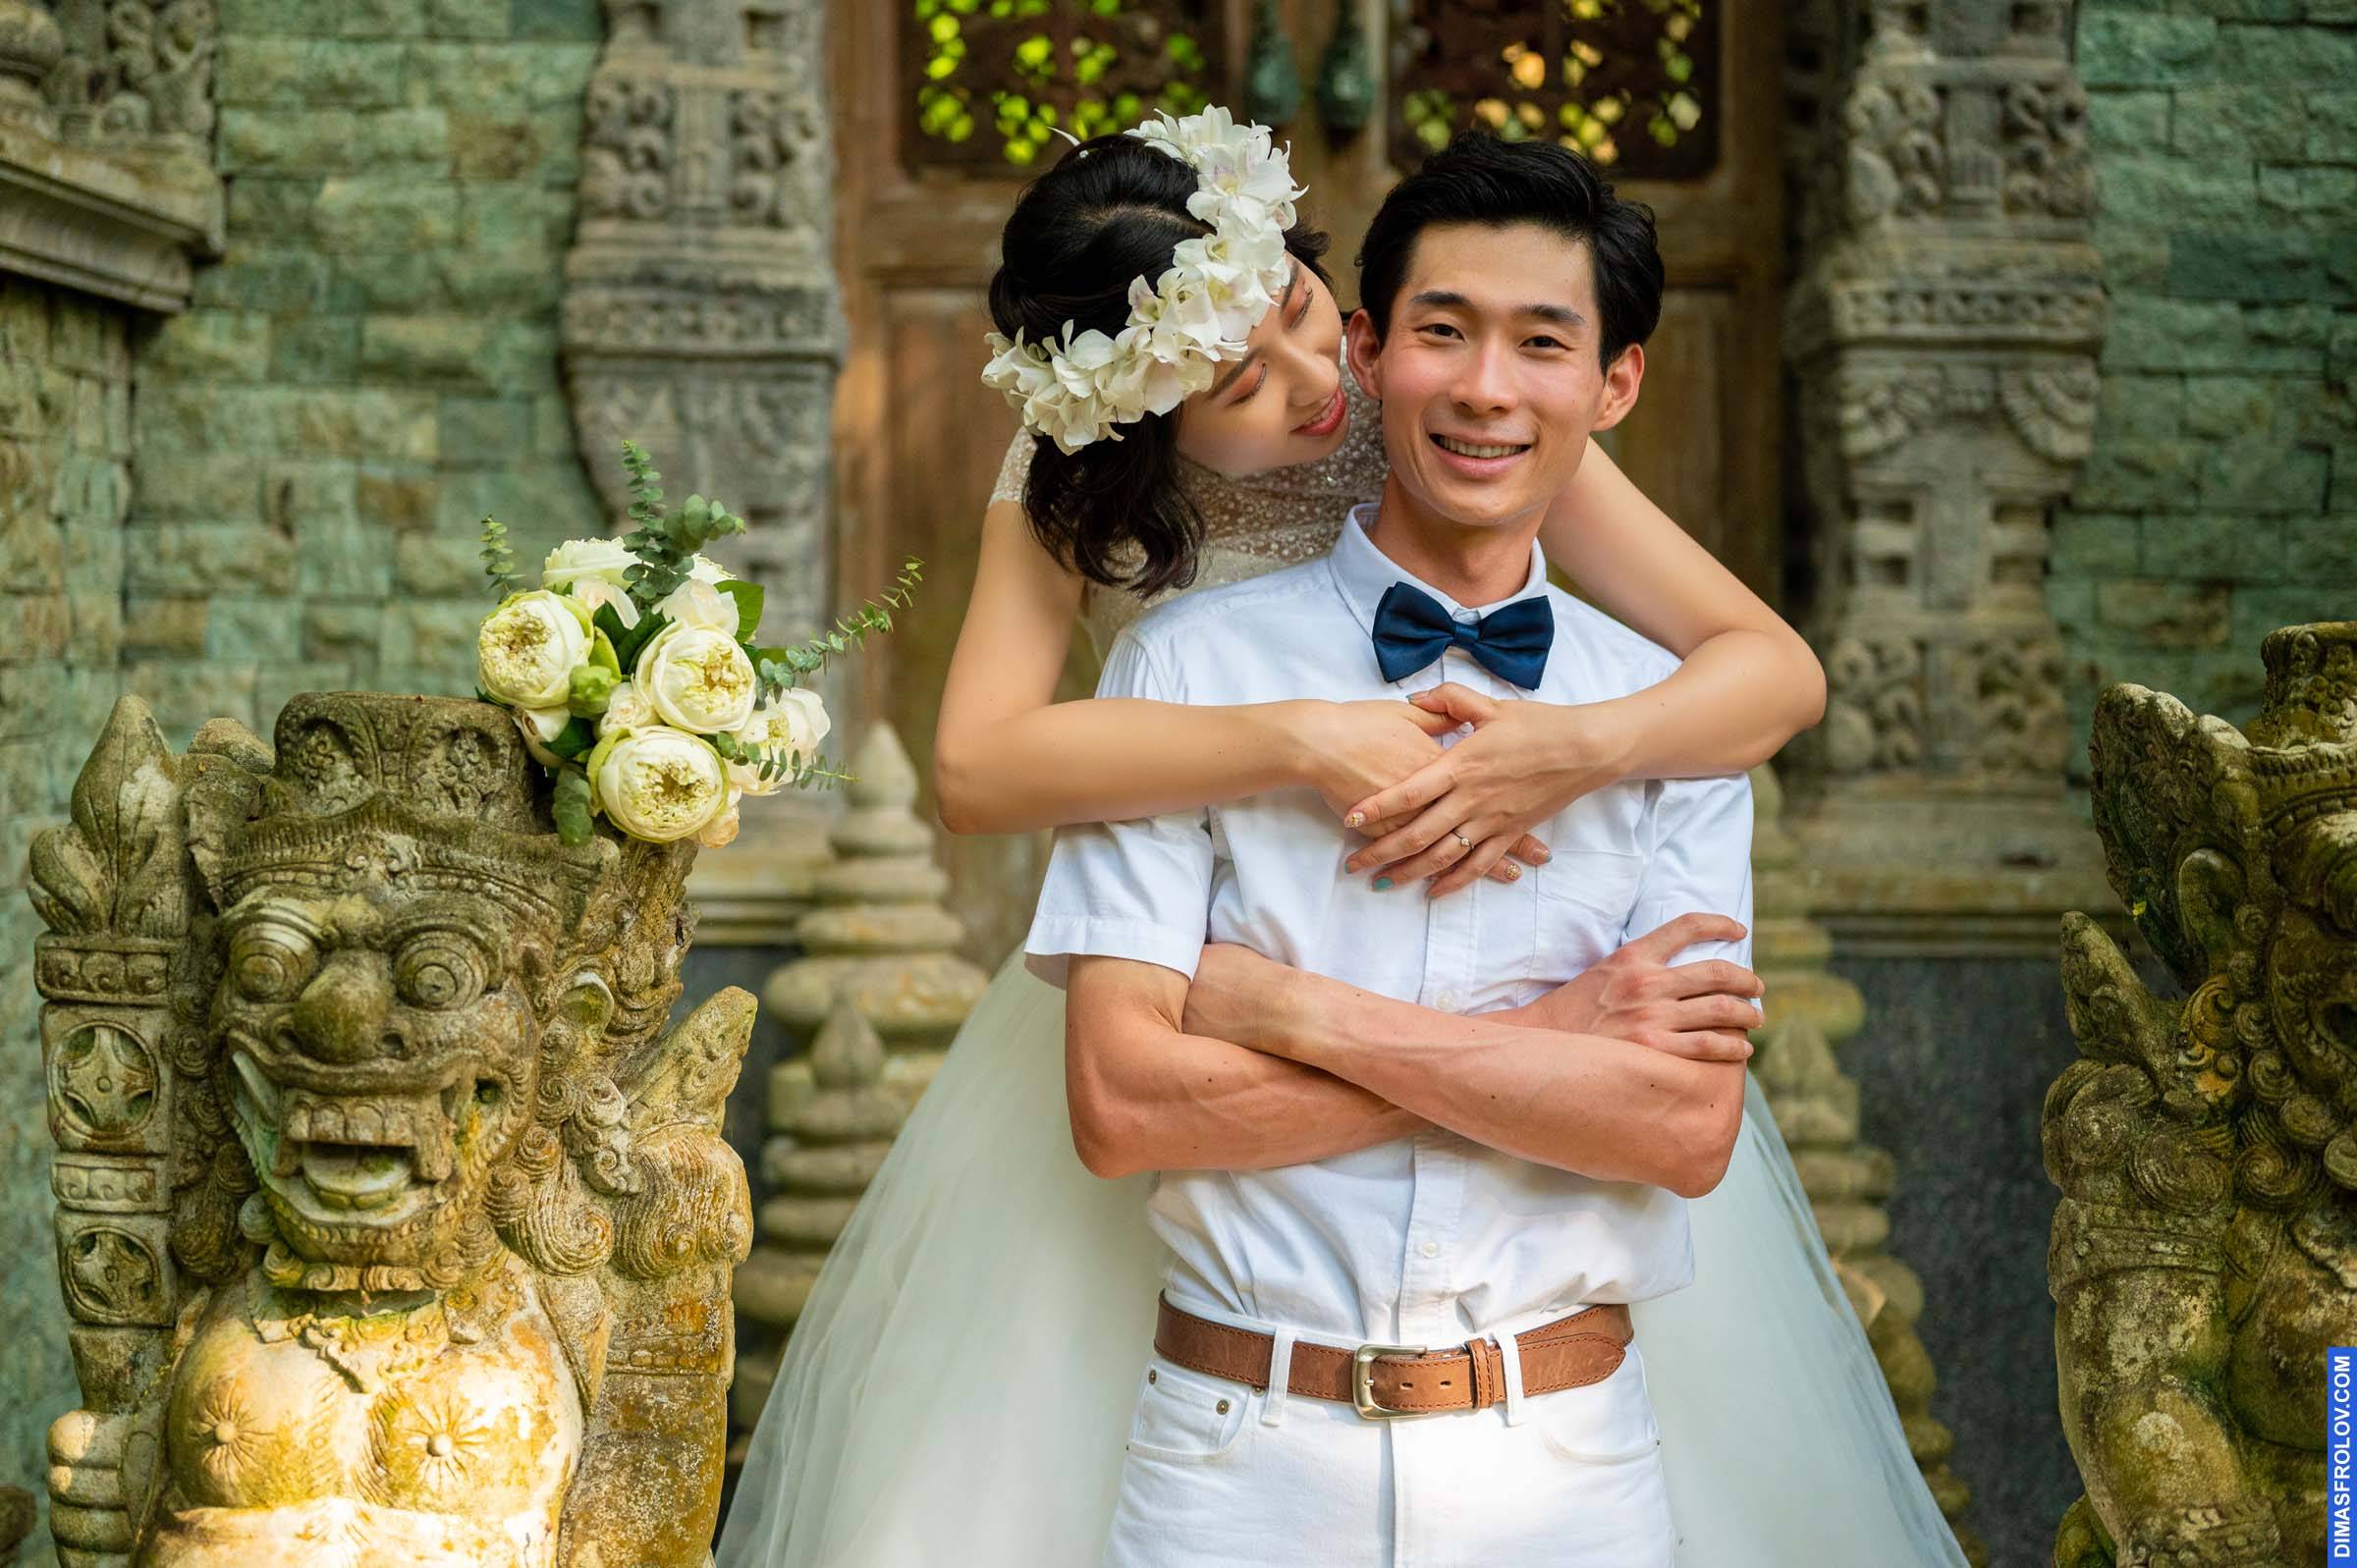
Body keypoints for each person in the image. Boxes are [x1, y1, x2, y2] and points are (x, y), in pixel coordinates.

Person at [719, 114, 1962, 1567]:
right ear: (1144, 420)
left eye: (1305, 313)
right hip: (1192, 929)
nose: (1314, 384)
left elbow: (1775, 674)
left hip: (1499, 1193)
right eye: (1239, 382)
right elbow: (979, 767)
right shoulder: (1087, 497)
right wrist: (1303, 739)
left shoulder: (1454, 402)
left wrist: (1572, 750)